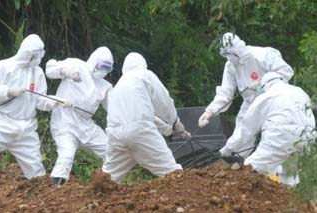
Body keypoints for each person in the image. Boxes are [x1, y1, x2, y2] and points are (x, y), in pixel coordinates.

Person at [0, 34, 67, 179]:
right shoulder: (2, 67)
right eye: (35, 56)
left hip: (26, 128)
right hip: (2, 123)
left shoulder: (37, 72)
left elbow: (40, 101)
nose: (38, 60)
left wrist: (56, 101)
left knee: (36, 171)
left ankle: (39, 197)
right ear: (27, 54)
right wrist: (8, 91)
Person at [198, 32, 294, 156]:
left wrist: (262, 84)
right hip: (250, 103)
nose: (229, 58)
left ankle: (273, 171)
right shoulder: (230, 65)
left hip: (272, 103)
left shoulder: (262, 55)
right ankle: (239, 168)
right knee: (241, 138)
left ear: (238, 49)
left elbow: (285, 72)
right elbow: (226, 92)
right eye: (226, 54)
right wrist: (210, 112)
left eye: (230, 54)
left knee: (273, 138)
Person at [102, 52, 190, 182]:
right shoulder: (144, 75)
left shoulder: (118, 86)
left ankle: (91, 200)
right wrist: (175, 122)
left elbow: (146, 116)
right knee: (173, 174)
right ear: (143, 65)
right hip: (140, 133)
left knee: (106, 180)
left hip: (115, 136)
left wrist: (169, 130)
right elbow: (163, 101)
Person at [219, 72, 316, 186]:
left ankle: (245, 202)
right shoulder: (299, 92)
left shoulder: (266, 96)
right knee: (288, 177)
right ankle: (290, 202)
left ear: (264, 85)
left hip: (280, 138)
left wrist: (227, 149)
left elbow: (246, 129)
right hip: (307, 139)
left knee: (251, 169)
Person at [46, 46, 114, 186]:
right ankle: (55, 188)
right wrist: (65, 71)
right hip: (65, 119)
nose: (103, 71)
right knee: (66, 154)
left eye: (107, 69)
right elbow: (49, 69)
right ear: (94, 61)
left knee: (111, 150)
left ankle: (107, 184)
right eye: (101, 66)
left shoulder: (105, 87)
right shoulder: (76, 65)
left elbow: (115, 109)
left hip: (86, 125)